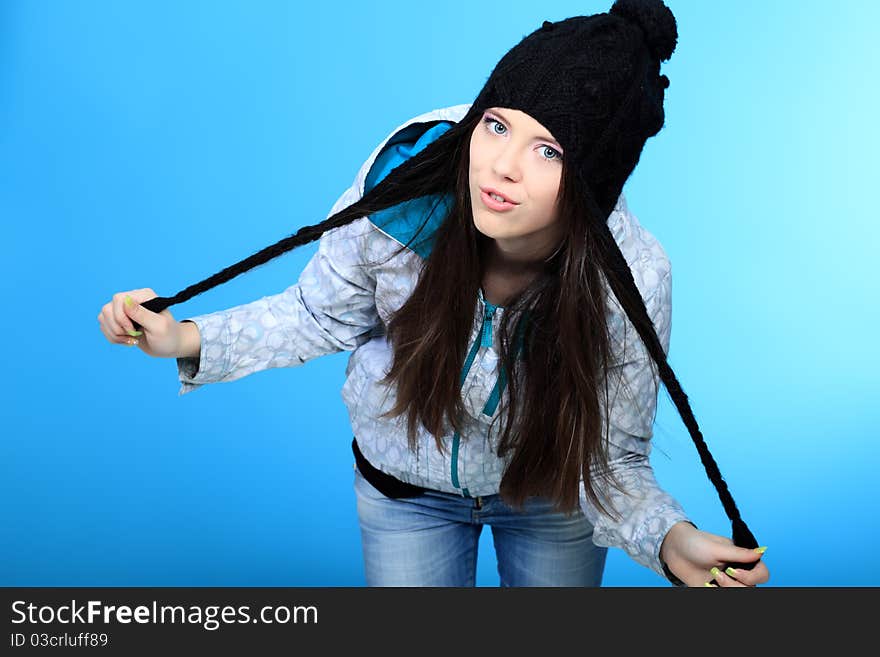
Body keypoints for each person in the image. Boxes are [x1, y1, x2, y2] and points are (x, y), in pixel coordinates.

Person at [97, 0, 770, 587]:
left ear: (593, 176)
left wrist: (668, 538)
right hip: (403, 493)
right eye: (498, 125)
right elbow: (317, 313)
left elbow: (613, 454)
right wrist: (187, 336)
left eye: (549, 151)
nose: (501, 165)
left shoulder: (632, 275)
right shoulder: (408, 184)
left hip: (551, 493)